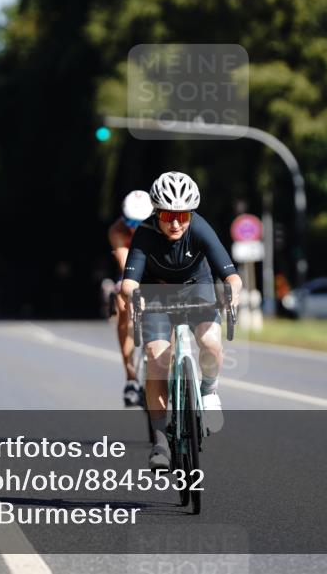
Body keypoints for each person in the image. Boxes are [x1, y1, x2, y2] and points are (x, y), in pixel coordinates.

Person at [120, 172, 242, 469]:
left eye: (182, 216)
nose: (175, 223)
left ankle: (209, 391)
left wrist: (231, 293)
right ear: (156, 213)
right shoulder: (145, 234)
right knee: (156, 358)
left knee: (211, 343)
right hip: (156, 296)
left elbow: (231, 276)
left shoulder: (200, 228)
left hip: (196, 287)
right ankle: (161, 441)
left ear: (191, 214)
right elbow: (129, 282)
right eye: (167, 215)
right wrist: (138, 297)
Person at [109, 190, 155, 406]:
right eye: (129, 221)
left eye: (140, 222)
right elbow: (127, 266)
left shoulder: (161, 225)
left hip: (158, 272)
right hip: (133, 274)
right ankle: (131, 378)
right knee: (122, 306)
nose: (133, 227)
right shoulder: (118, 231)